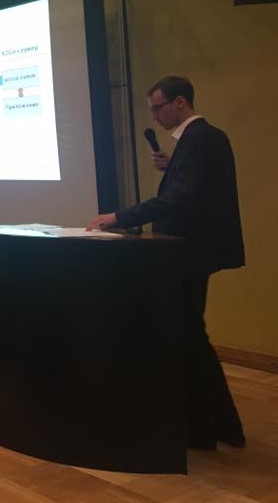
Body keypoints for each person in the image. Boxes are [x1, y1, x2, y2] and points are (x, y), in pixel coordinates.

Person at [87, 75, 244, 450]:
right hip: (187, 252)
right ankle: (220, 425)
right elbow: (194, 190)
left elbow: (180, 200)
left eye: (157, 108)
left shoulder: (201, 138)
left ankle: (207, 429)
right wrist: (173, 168)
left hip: (188, 253)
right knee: (191, 335)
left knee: (189, 336)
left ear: (179, 103)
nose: (154, 116)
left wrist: (119, 217)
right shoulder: (198, 141)